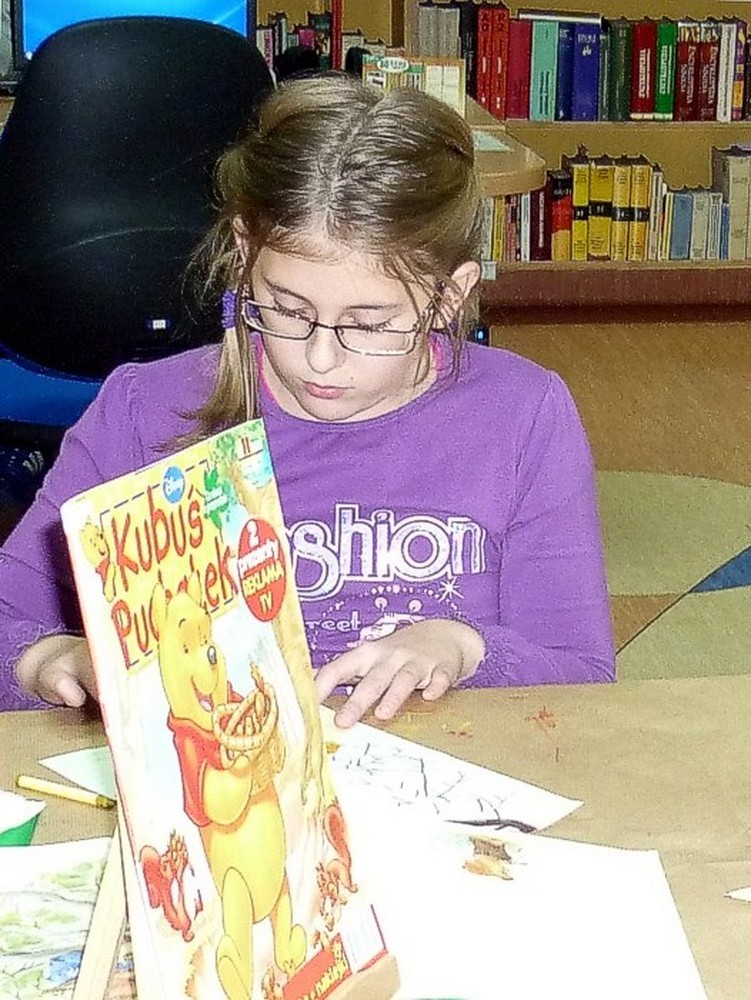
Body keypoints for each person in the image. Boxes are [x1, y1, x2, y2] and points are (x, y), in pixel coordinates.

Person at [0, 73, 615, 725]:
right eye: (288, 310)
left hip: (448, 768)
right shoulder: (142, 412)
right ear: (245, 253)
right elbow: (10, 618)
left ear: (450, 296)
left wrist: (463, 647)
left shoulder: (522, 413)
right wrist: (49, 660)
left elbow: (580, 673)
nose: (320, 358)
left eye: (369, 324)